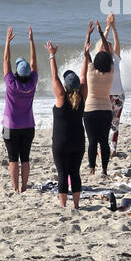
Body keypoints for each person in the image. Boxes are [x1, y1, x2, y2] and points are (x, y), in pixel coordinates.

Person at [47, 39, 88, 208]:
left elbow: (54, 77)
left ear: (65, 85)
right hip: (78, 141)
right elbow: (84, 76)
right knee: (75, 173)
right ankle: (76, 205)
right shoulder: (82, 97)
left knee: (63, 174)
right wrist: (86, 56)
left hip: (61, 143)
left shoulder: (61, 98)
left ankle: (63, 206)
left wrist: (52, 55)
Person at [2, 25, 38, 193]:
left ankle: (16, 187)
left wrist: (7, 42)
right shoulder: (32, 83)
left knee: (12, 158)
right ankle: (23, 187)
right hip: (28, 126)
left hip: (10, 125)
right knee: (25, 158)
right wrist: (31, 40)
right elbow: (33, 61)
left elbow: (6, 61)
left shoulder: (11, 83)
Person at [83, 20, 116, 177]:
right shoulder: (110, 73)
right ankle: (104, 170)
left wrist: (88, 35)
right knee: (104, 141)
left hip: (90, 110)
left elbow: (86, 52)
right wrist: (101, 33)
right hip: (106, 110)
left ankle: (92, 169)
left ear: (95, 62)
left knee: (92, 141)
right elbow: (109, 55)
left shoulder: (91, 72)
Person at [104, 12, 126, 152]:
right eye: (107, 45)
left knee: (115, 124)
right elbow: (101, 43)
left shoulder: (115, 59)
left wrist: (114, 27)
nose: (110, 46)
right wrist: (106, 28)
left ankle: (113, 149)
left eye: (110, 45)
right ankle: (104, 148)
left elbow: (117, 42)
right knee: (105, 124)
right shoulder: (101, 60)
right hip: (106, 97)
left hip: (118, 96)